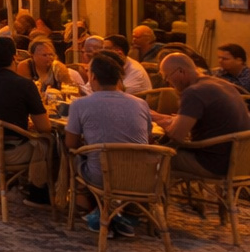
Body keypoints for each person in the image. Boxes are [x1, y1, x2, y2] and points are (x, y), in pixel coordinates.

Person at [63, 52, 151, 236]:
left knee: (69, 155)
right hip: (140, 176)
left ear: (93, 77)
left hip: (101, 175)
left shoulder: (81, 104)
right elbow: (147, 137)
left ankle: (88, 210)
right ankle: (119, 213)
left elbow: (70, 143)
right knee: (102, 159)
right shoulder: (141, 104)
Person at [0, 37, 53, 206]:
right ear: (14, 57)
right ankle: (38, 191)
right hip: (10, 151)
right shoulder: (24, 85)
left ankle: (18, 184)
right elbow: (44, 127)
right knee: (47, 141)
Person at [153, 52, 250, 180]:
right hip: (241, 163)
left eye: (167, 76)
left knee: (154, 158)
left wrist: (158, 121)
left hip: (214, 165)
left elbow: (177, 136)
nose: (167, 82)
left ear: (181, 71)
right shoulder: (221, 84)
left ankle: (149, 192)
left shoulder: (194, 92)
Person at [17, 38, 88, 95]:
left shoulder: (58, 68)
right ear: (33, 55)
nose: (49, 58)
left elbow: (69, 88)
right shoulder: (25, 66)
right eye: (44, 55)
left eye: (51, 54)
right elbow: (23, 91)